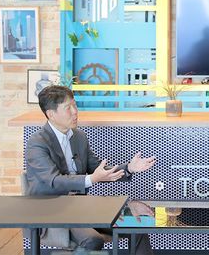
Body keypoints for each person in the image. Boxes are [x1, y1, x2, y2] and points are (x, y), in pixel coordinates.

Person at [25, 85, 157, 254]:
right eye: (68, 108)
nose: (75, 112)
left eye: (75, 105)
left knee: (136, 227)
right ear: (51, 114)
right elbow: (53, 181)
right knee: (92, 240)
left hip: (81, 207)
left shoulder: (79, 137)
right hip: (52, 211)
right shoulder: (37, 142)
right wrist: (91, 179)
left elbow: (97, 169)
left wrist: (129, 168)